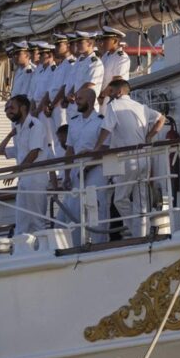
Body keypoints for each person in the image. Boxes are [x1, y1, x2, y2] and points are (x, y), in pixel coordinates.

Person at [95, 78, 164, 238]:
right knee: (141, 199)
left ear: (119, 92)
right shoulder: (141, 107)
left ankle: (135, 231)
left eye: (111, 92)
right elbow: (161, 118)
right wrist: (149, 136)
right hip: (144, 157)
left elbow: (106, 129)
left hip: (128, 159)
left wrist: (97, 147)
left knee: (120, 199)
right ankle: (142, 233)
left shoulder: (113, 106)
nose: (109, 95)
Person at [0, 95, 50, 236]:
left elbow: (34, 153)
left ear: (23, 108)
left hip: (35, 178)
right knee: (22, 220)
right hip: (24, 179)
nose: (8, 111)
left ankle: (42, 253)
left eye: (11, 107)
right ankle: (21, 251)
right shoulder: (19, 129)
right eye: (6, 109)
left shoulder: (35, 125)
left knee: (36, 220)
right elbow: (2, 151)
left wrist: (15, 172)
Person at [65, 87, 106, 243]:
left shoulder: (101, 121)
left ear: (89, 100)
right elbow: (69, 149)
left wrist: (88, 165)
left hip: (96, 169)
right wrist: (67, 175)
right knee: (75, 208)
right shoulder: (74, 122)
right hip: (77, 171)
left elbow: (104, 147)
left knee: (96, 207)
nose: (76, 101)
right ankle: (76, 244)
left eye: (80, 99)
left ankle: (99, 243)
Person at [98, 28, 131, 100]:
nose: (103, 42)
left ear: (115, 41)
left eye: (106, 39)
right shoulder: (106, 56)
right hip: (102, 97)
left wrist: (102, 95)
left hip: (114, 97)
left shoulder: (121, 57)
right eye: (103, 39)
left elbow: (117, 79)